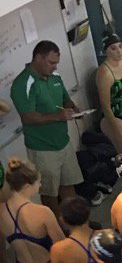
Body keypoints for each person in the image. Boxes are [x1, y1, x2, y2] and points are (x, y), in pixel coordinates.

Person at [10, 40, 79, 213]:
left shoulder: (55, 77)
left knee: (69, 185)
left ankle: (75, 223)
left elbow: (65, 98)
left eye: (56, 63)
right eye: (51, 63)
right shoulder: (23, 83)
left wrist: (72, 106)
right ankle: (56, 228)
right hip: (43, 148)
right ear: (38, 58)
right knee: (50, 193)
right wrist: (58, 116)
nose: (54, 67)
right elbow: (27, 117)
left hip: (63, 142)